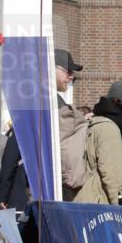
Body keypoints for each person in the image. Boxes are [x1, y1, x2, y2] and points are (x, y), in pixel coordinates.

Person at [54, 48, 89, 200]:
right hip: (51, 183)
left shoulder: (55, 100)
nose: (71, 76)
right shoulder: (45, 100)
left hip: (60, 181)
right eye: (67, 71)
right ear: (52, 68)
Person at [92, 82, 122, 200]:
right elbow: (109, 165)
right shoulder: (113, 126)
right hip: (105, 193)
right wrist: (117, 198)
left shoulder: (100, 118)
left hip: (101, 189)